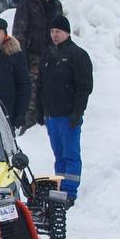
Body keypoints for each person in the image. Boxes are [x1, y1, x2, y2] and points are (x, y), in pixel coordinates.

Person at [37, 15, 93, 203]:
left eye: (58, 31)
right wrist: (39, 110)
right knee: (58, 155)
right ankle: (60, 188)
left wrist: (78, 111)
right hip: (52, 115)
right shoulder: (48, 54)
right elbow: (41, 84)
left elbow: (84, 86)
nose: (54, 35)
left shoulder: (78, 55)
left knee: (71, 154)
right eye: (52, 31)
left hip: (69, 115)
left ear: (67, 32)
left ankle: (70, 192)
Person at [13, 0, 63, 132]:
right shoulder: (27, 3)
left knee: (49, 94)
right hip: (32, 56)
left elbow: (61, 31)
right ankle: (27, 129)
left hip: (52, 57)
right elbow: (19, 31)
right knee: (32, 96)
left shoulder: (56, 5)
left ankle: (45, 128)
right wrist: (21, 57)